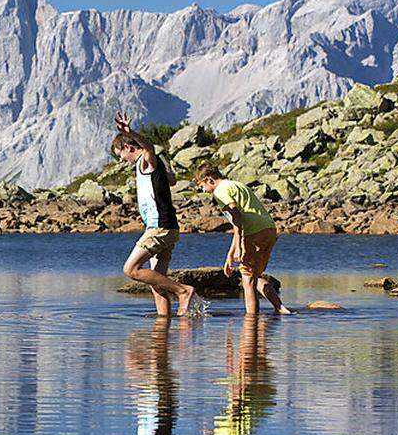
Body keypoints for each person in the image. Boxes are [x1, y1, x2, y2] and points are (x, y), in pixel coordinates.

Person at [113, 111, 204, 316]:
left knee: (131, 269)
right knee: (157, 283)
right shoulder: (155, 166)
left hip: (159, 227)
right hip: (167, 227)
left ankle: (183, 291)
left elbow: (150, 148)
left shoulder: (147, 160)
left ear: (128, 147)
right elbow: (171, 180)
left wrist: (131, 132)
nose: (122, 161)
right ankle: (164, 327)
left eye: (122, 156)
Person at [194, 164, 292, 315]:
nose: (203, 191)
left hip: (252, 231)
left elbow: (237, 217)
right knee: (254, 275)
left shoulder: (220, 191)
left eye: (202, 187)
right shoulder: (236, 185)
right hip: (269, 230)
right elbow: (236, 226)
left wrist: (240, 246)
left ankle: (251, 319)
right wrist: (229, 256)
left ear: (209, 179)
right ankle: (281, 309)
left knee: (247, 280)